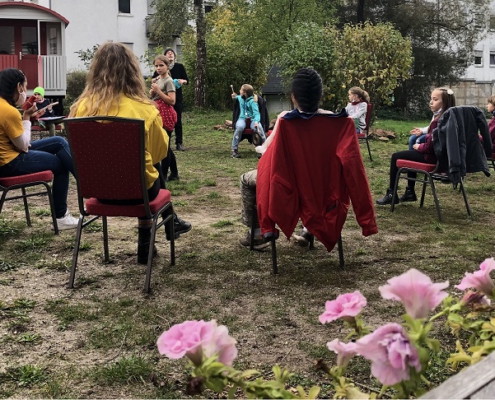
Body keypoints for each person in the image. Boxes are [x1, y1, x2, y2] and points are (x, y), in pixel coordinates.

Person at [69, 42, 191, 264]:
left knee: (144, 168)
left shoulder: (79, 109)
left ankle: (159, 234)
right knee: (148, 168)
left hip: (96, 190)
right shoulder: (144, 109)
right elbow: (160, 153)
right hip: (139, 192)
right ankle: (151, 240)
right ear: (132, 72)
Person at [0, 68, 78, 230]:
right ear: (18, 87)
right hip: (9, 162)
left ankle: (85, 181)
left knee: (58, 141)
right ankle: (62, 216)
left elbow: (19, 143)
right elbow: (23, 144)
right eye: (25, 86)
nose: (25, 92)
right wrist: (26, 117)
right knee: (60, 164)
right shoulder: (8, 111)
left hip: (8, 154)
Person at [376, 87, 456, 205]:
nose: (431, 102)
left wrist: (420, 147)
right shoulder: (452, 118)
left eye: (435, 99)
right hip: (445, 160)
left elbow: (430, 147)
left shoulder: (438, 121)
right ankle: (409, 192)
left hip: (433, 159)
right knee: (411, 151)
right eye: (431, 99)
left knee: (395, 157)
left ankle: (392, 194)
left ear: (444, 103)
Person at [150, 55, 180, 182]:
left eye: (161, 65)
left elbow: (172, 101)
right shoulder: (158, 79)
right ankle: (174, 173)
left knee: (165, 147)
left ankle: (163, 175)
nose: (158, 68)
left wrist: (158, 91)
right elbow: (155, 97)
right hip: (158, 113)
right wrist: (153, 93)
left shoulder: (169, 81)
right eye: (156, 66)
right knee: (165, 145)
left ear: (167, 66)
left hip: (166, 115)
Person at [231, 84, 266, 159]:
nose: (239, 91)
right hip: (242, 118)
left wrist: (256, 121)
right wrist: (234, 97)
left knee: (259, 128)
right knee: (240, 127)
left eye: (241, 90)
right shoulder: (240, 98)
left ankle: (264, 148)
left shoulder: (253, 101)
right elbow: (235, 98)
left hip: (253, 119)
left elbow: (256, 113)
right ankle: (234, 149)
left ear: (245, 93)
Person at [163, 48, 188, 151]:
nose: (170, 54)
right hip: (165, 98)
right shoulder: (162, 67)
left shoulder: (179, 66)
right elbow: (154, 79)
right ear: (165, 56)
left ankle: (179, 143)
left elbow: (187, 80)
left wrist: (182, 81)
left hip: (177, 98)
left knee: (178, 120)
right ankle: (166, 143)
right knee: (165, 120)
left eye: (172, 53)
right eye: (168, 53)